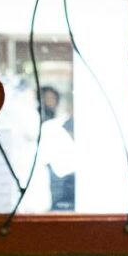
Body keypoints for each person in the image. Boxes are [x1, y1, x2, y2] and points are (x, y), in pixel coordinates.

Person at [38, 84, 78, 212]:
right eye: (46, 99)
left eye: (52, 99)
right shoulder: (47, 126)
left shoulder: (62, 124)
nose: (49, 102)